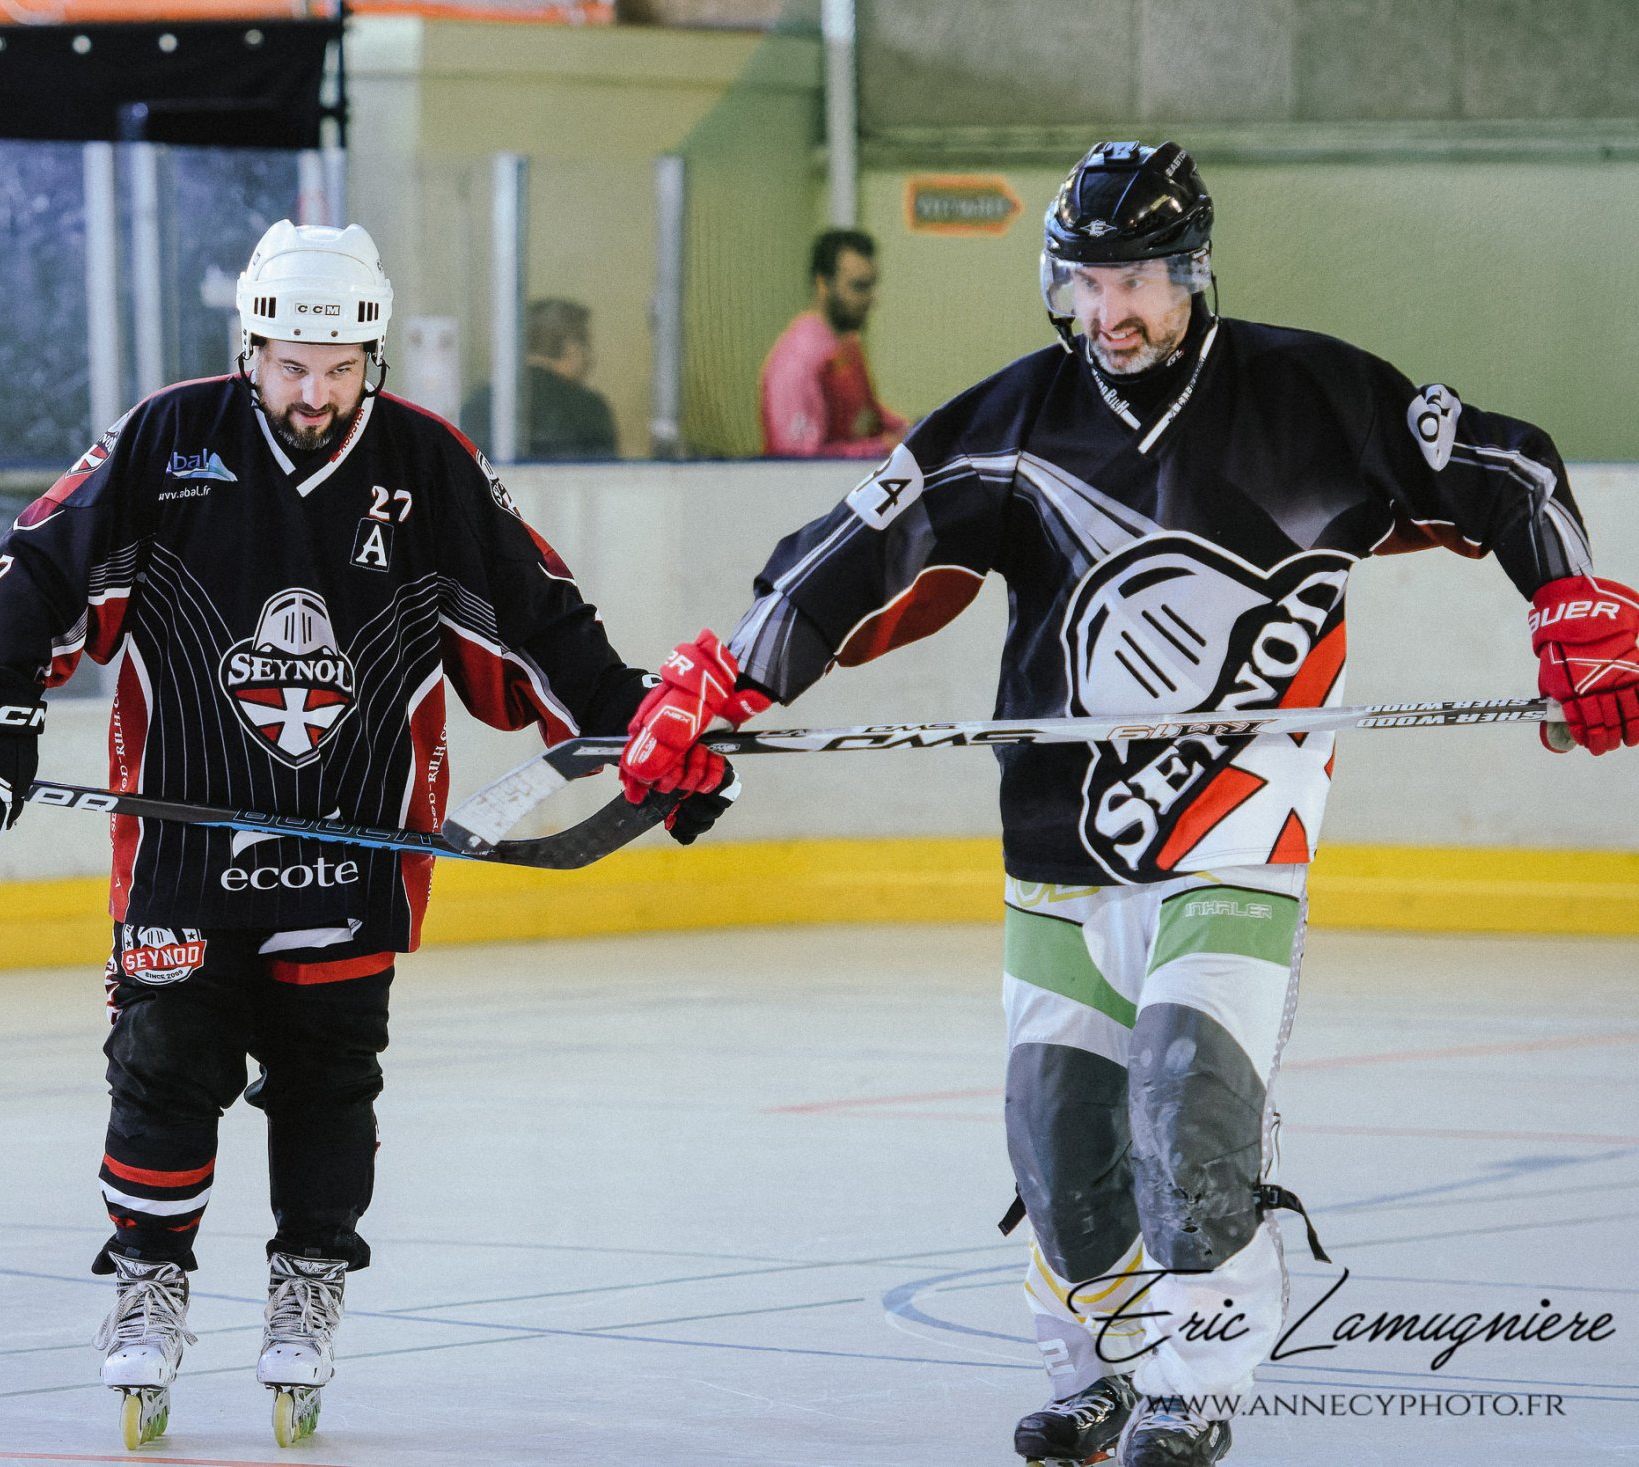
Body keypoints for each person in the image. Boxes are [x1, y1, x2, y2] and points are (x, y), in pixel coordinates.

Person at [619, 141, 1638, 1467]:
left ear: (1193, 272)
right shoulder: (1011, 423)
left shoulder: (1312, 392)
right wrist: (725, 678)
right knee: (1059, 1139)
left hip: (1241, 827)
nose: (1112, 312)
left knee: (1186, 1092)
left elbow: (1507, 467)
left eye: (1141, 279)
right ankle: (1098, 1366)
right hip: (1061, 842)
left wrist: (1568, 594)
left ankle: (1199, 1376)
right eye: (1087, 282)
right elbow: (851, 554)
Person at [0, 220, 732, 1450]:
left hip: (354, 845)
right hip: (183, 847)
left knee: (328, 1079)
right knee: (162, 1064)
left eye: (340, 370)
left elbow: (542, 626)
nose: (315, 395)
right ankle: (148, 1279)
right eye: (292, 368)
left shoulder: (427, 463)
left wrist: (644, 747)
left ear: (373, 359)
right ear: (250, 349)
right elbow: (37, 563)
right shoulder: (167, 437)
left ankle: (307, 1282)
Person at [760, 227, 910, 457]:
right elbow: (799, 462)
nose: (872, 299)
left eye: (872, 285)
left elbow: (868, 414)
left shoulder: (848, 345)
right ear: (823, 285)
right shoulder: (797, 362)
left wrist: (909, 430)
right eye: (859, 287)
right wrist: (886, 446)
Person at [461, 297, 619, 461]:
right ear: (570, 347)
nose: (590, 358)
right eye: (587, 345)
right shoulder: (588, 407)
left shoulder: (479, 403)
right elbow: (605, 472)